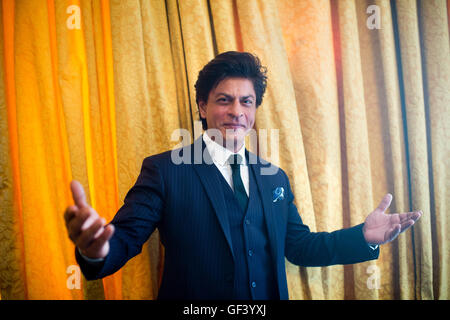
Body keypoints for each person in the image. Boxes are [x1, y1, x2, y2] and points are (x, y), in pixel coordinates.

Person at [64, 51, 422, 300]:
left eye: (246, 101)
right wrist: (97, 250)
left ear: (254, 110)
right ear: (202, 107)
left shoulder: (274, 178)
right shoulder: (164, 170)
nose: (236, 112)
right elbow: (125, 238)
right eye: (224, 100)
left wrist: (363, 236)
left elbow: (298, 247)